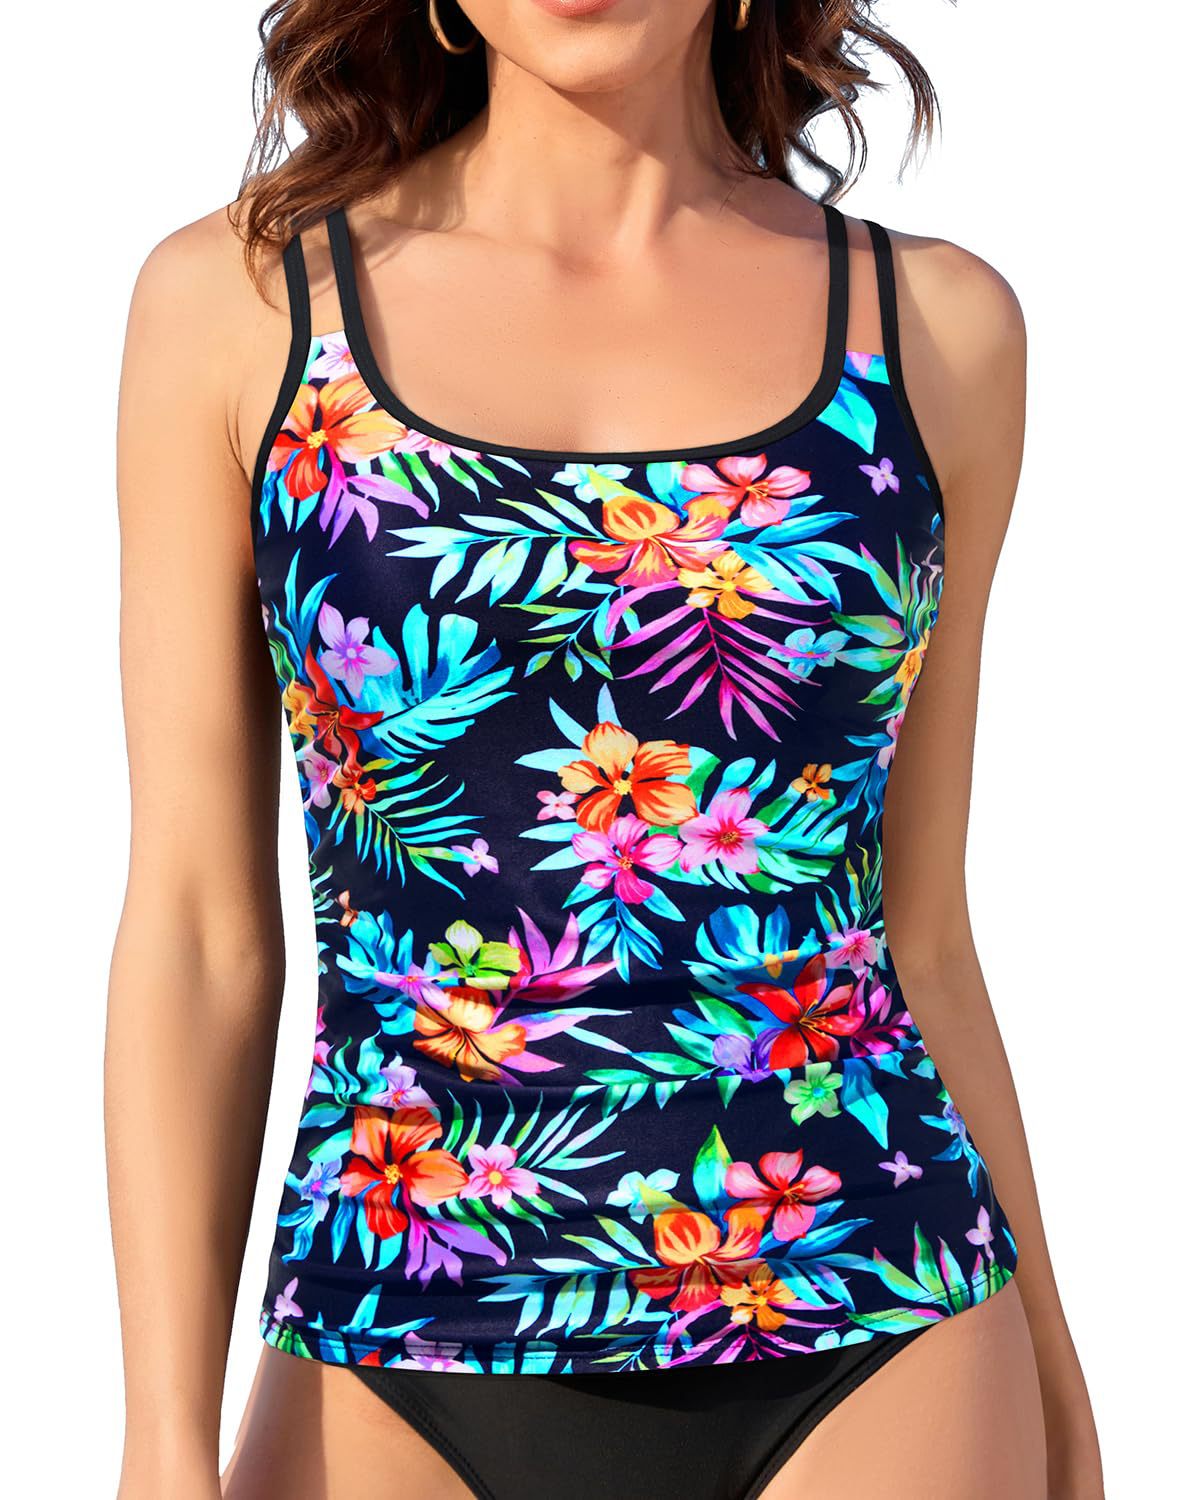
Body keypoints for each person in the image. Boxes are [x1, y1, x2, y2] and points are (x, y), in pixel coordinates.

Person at [106, 2, 1103, 1497]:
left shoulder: (935, 332)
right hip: (397, 1333)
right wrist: (160, 1440)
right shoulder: (244, 308)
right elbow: (197, 930)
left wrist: (1063, 1393)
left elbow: (923, 930)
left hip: (885, 1325)